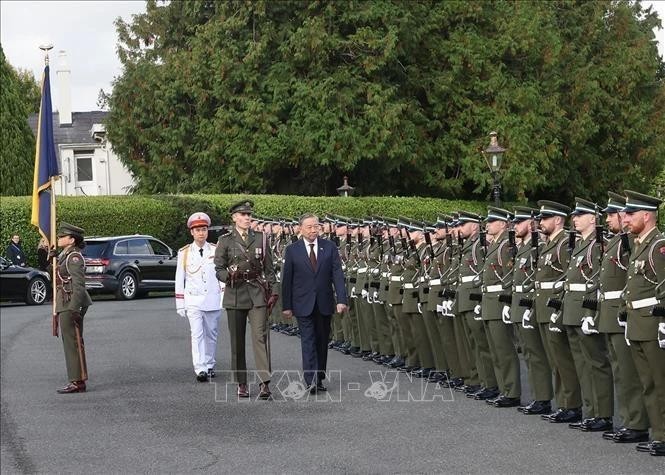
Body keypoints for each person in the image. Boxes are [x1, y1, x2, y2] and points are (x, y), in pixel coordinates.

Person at [214, 200, 278, 400]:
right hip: (234, 294)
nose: (247, 218)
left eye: (249, 215)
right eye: (242, 215)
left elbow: (270, 269)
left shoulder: (261, 238)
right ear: (234, 218)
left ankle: (264, 382)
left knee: (260, 337)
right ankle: (241, 382)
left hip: (257, 292)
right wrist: (228, 276)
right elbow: (218, 268)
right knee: (237, 341)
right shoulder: (225, 240)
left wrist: (274, 291)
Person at [281, 213, 348, 393]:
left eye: (316, 226)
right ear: (300, 229)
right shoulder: (292, 250)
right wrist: (286, 305)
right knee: (308, 341)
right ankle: (310, 380)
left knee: (321, 341)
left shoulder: (329, 247)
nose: (313, 230)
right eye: (309, 227)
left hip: (324, 302)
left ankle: (319, 377)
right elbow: (287, 279)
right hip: (302, 303)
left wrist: (341, 299)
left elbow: (337, 275)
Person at [622, 190, 665, 457]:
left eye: (631, 214)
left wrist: (663, 322)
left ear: (646, 215)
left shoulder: (659, 245)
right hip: (638, 321)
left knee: (661, 382)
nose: (626, 219)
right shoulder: (640, 244)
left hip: (653, 322)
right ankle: (658, 432)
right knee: (648, 382)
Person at [175, 212, 223, 383]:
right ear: (192, 233)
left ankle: (210, 363)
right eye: (198, 230)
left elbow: (221, 275)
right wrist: (180, 303)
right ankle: (200, 368)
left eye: (204, 229)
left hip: (213, 299)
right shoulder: (185, 253)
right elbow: (180, 279)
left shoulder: (216, 250)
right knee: (197, 334)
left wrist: (223, 297)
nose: (201, 233)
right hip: (193, 300)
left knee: (211, 333)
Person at [53, 223, 93, 394]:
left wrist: (75, 308)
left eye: (62, 236)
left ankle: (77, 381)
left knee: (72, 342)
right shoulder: (65, 255)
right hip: (65, 301)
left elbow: (79, 285)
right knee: (69, 341)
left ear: (71, 240)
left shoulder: (74, 257)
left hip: (71, 303)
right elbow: (58, 277)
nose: (59, 238)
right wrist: (52, 259)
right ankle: (76, 379)